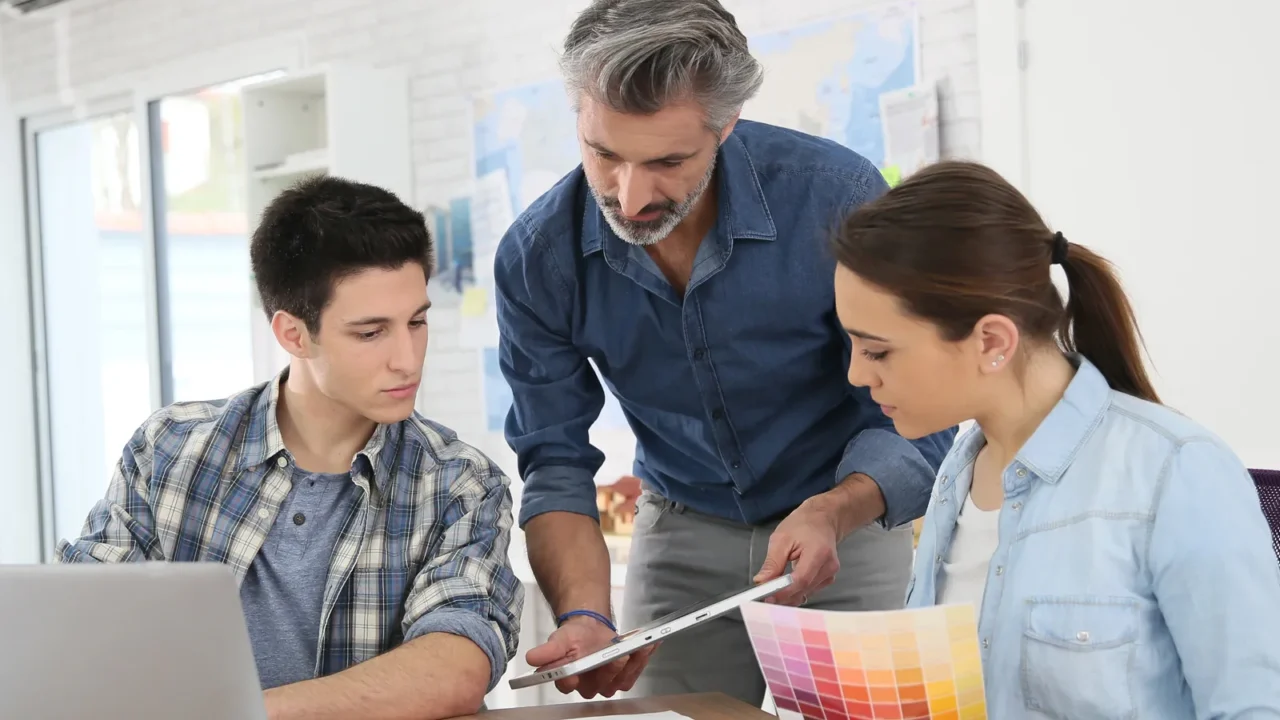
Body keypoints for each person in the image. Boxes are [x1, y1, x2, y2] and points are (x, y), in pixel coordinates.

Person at [493, 0, 955, 705]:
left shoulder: (839, 201)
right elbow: (554, 458)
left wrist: (834, 511)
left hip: (842, 522)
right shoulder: (538, 258)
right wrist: (584, 613)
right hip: (680, 525)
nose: (630, 195)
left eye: (668, 161)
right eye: (604, 154)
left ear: (727, 124)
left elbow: (919, 409)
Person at [58, 176, 525, 720]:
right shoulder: (169, 450)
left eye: (417, 322)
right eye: (371, 333)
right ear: (293, 334)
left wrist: (240, 714)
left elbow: (455, 669)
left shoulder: (460, 482)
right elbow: (82, 626)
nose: (408, 358)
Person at [831, 159, 1280, 717]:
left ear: (992, 340)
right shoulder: (956, 474)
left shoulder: (1176, 473)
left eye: (877, 350)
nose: (857, 374)